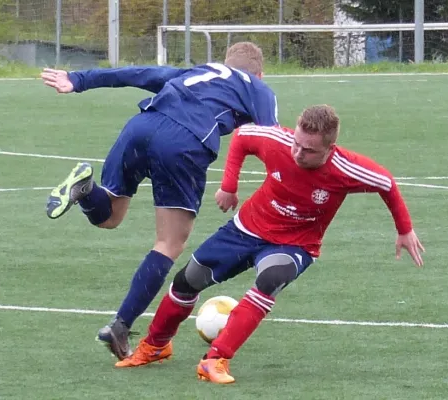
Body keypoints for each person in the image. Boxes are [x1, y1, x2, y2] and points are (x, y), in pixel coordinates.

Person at [114, 104, 425, 384]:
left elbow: (386, 183)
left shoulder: (346, 168)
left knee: (271, 278)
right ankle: (155, 346)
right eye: (297, 143)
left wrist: (405, 230)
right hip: (245, 228)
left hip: (294, 245)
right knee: (187, 281)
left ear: (330, 148)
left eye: (309, 151)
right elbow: (242, 136)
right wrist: (229, 186)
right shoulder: (277, 141)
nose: (298, 153)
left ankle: (215, 359)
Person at [40, 42, 279, 360]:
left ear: (225, 63)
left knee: (109, 215)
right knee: (169, 242)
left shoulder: (198, 72)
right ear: (260, 73)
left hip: (141, 126)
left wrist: (79, 79)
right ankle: (120, 325)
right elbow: (273, 142)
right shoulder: (258, 89)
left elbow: (138, 73)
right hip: (184, 141)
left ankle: (85, 189)